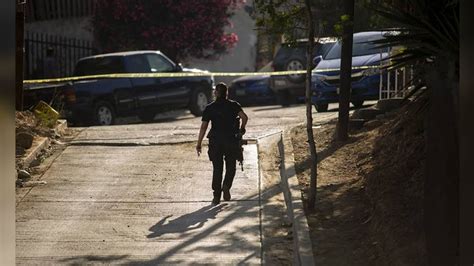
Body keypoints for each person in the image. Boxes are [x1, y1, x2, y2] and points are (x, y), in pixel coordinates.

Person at [196, 82, 248, 205]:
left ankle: (216, 196)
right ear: (227, 93)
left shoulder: (210, 108)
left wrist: (199, 143)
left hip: (215, 141)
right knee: (231, 166)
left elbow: (203, 127)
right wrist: (242, 129)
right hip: (231, 140)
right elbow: (244, 117)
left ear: (216, 93)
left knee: (217, 168)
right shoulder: (234, 105)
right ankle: (226, 186)